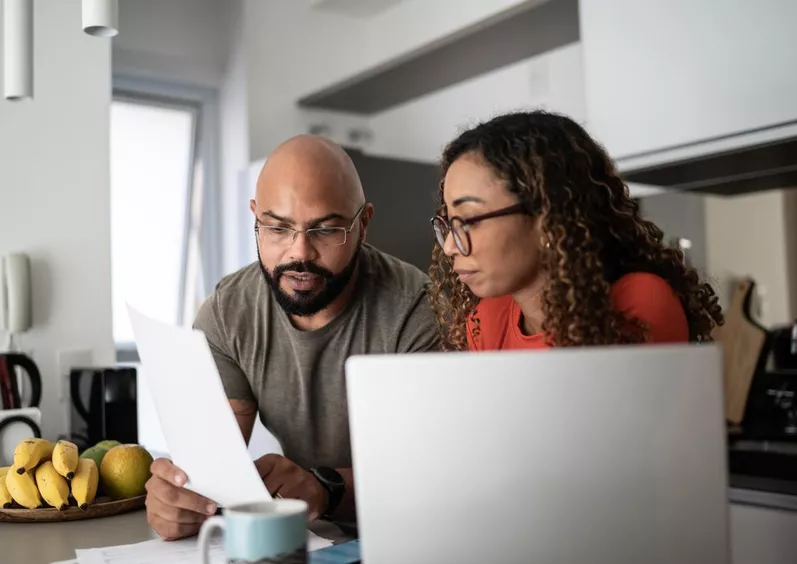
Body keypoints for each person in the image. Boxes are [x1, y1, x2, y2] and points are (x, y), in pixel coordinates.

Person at [146, 135, 439, 540]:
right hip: (312, 540)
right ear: (255, 217)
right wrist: (180, 500)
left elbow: (430, 473)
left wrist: (324, 488)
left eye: (326, 229)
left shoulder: (417, 311)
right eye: (278, 228)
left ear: (363, 225)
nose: (300, 253)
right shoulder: (228, 313)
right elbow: (209, 470)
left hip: (416, 533)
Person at [428, 110, 723, 351]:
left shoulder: (638, 301)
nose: (450, 246)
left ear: (546, 217)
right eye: (448, 223)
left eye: (469, 220)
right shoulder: (486, 320)